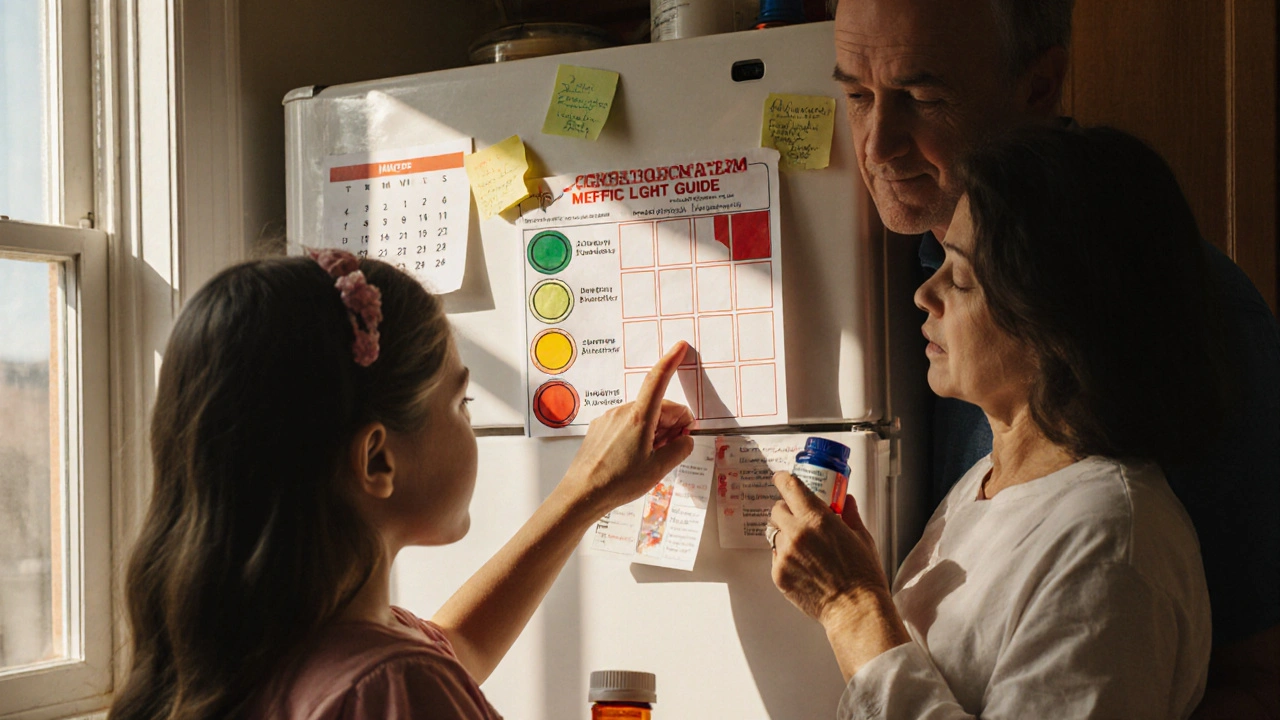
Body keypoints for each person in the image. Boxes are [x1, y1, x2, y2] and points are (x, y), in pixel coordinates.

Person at [826, 0, 1280, 715]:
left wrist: (855, 614)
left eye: (922, 96)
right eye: (854, 94)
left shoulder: (1186, 317)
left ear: (1039, 85)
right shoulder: (911, 301)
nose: (876, 143)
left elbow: (1252, 677)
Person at [107, 250, 696, 719]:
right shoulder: (393, 685)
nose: (469, 418)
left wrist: (582, 494)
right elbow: (414, 676)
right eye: (461, 403)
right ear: (378, 460)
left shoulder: (253, 646)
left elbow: (455, 647)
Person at [770, 125, 1221, 718]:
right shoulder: (991, 479)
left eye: (959, 277)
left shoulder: (1113, 541)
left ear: (1056, 319)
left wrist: (853, 607)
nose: (924, 294)